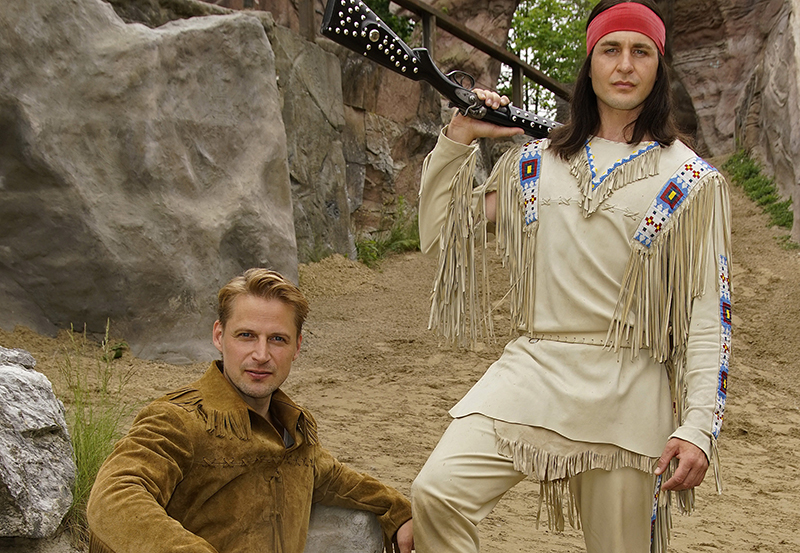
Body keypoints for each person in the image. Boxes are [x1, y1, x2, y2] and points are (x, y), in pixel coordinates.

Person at [411, 1, 731, 552]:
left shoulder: (691, 180)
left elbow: (709, 316)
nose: (625, 64)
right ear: (590, 63)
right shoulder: (535, 163)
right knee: (437, 492)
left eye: (641, 51)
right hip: (533, 371)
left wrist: (698, 425)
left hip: (628, 390)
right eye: (611, 49)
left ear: (659, 67)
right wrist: (458, 136)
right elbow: (442, 232)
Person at [87, 268, 414, 553]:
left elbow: (333, 477)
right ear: (219, 336)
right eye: (246, 336)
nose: (261, 354)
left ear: (297, 346)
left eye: (277, 339)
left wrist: (398, 512)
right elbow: (115, 497)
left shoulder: (293, 430)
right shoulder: (178, 418)